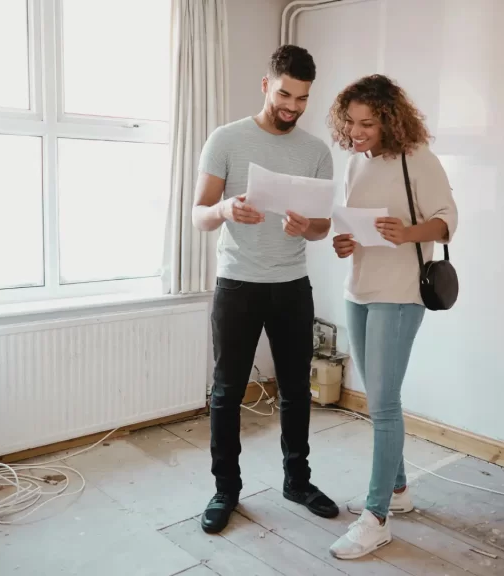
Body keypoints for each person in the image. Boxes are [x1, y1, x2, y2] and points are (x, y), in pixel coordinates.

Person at [191, 45, 340, 534]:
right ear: (265, 85)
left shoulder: (316, 152)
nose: (293, 106)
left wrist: (306, 228)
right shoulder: (226, 139)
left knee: (296, 390)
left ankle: (297, 481)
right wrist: (225, 210)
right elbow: (199, 215)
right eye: (284, 94)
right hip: (238, 284)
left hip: (292, 285)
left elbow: (322, 227)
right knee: (227, 391)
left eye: (302, 98)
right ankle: (226, 489)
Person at [326, 74, 458, 559]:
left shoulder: (416, 158)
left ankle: (376, 517)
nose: (356, 132)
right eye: (350, 122)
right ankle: (398, 489)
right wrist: (344, 242)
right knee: (377, 399)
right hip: (359, 287)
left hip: (400, 293)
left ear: (389, 120)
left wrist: (407, 233)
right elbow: (352, 225)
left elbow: (447, 220)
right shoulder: (354, 163)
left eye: (367, 124)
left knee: (383, 404)